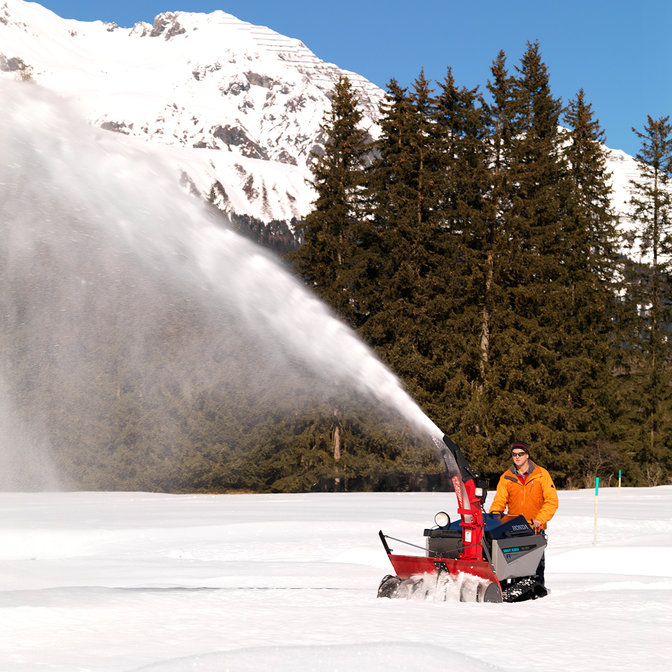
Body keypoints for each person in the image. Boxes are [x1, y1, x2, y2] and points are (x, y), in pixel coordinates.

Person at [489, 441, 559, 588]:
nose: (517, 457)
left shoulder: (541, 475)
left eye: (520, 454)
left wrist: (540, 519)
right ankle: (513, 591)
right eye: (514, 454)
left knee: (535, 567)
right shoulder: (506, 477)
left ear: (527, 455)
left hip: (534, 528)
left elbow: (551, 501)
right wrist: (494, 519)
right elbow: (499, 501)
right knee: (513, 565)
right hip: (514, 528)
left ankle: (537, 591)